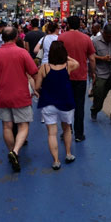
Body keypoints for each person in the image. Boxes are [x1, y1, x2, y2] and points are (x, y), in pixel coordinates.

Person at [0, 26, 39, 173]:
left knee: (7, 126)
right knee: (23, 125)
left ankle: (11, 151)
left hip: (2, 96)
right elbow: (34, 72)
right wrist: (37, 89)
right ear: (16, 37)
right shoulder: (22, 53)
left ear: (2, 38)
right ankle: (15, 151)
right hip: (20, 96)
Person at [35, 41, 79, 169]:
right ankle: (68, 153)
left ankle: (55, 161)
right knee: (67, 129)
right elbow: (78, 63)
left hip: (48, 103)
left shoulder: (44, 67)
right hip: (66, 102)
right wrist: (67, 56)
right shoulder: (68, 66)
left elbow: (37, 86)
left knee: (52, 133)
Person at [56, 15, 96, 142]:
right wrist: (92, 73)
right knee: (79, 106)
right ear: (79, 24)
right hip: (81, 76)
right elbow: (92, 58)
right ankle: (79, 134)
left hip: (64, 77)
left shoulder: (61, 37)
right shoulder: (86, 38)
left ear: (67, 24)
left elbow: (56, 56)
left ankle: (67, 131)